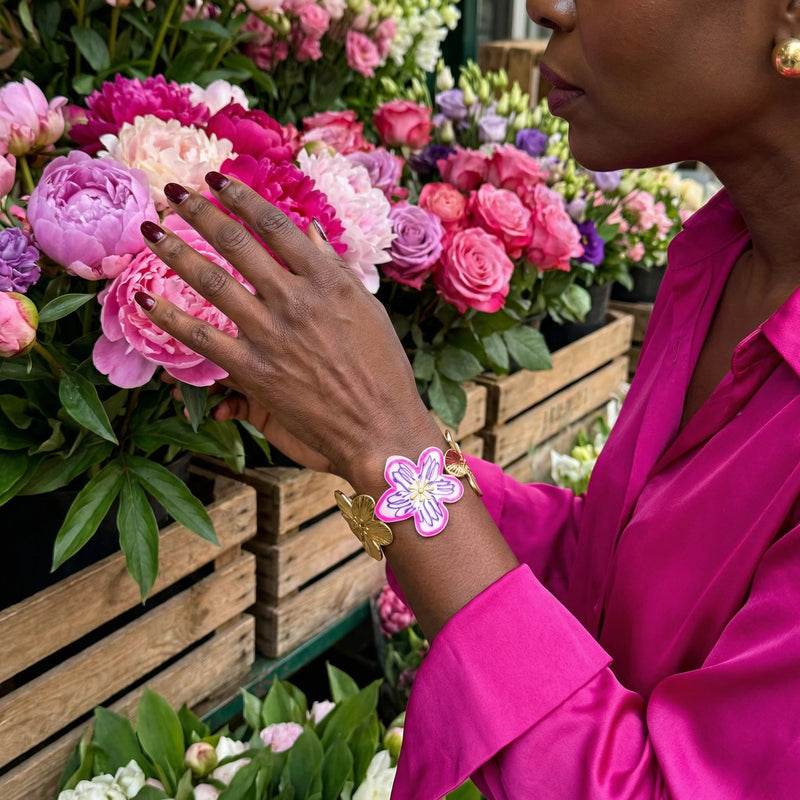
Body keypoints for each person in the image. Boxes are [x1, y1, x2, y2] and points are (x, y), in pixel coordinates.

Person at [130, 0, 800, 796]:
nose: (549, 7)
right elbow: (610, 569)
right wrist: (372, 441)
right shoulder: (725, 256)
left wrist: (391, 450)